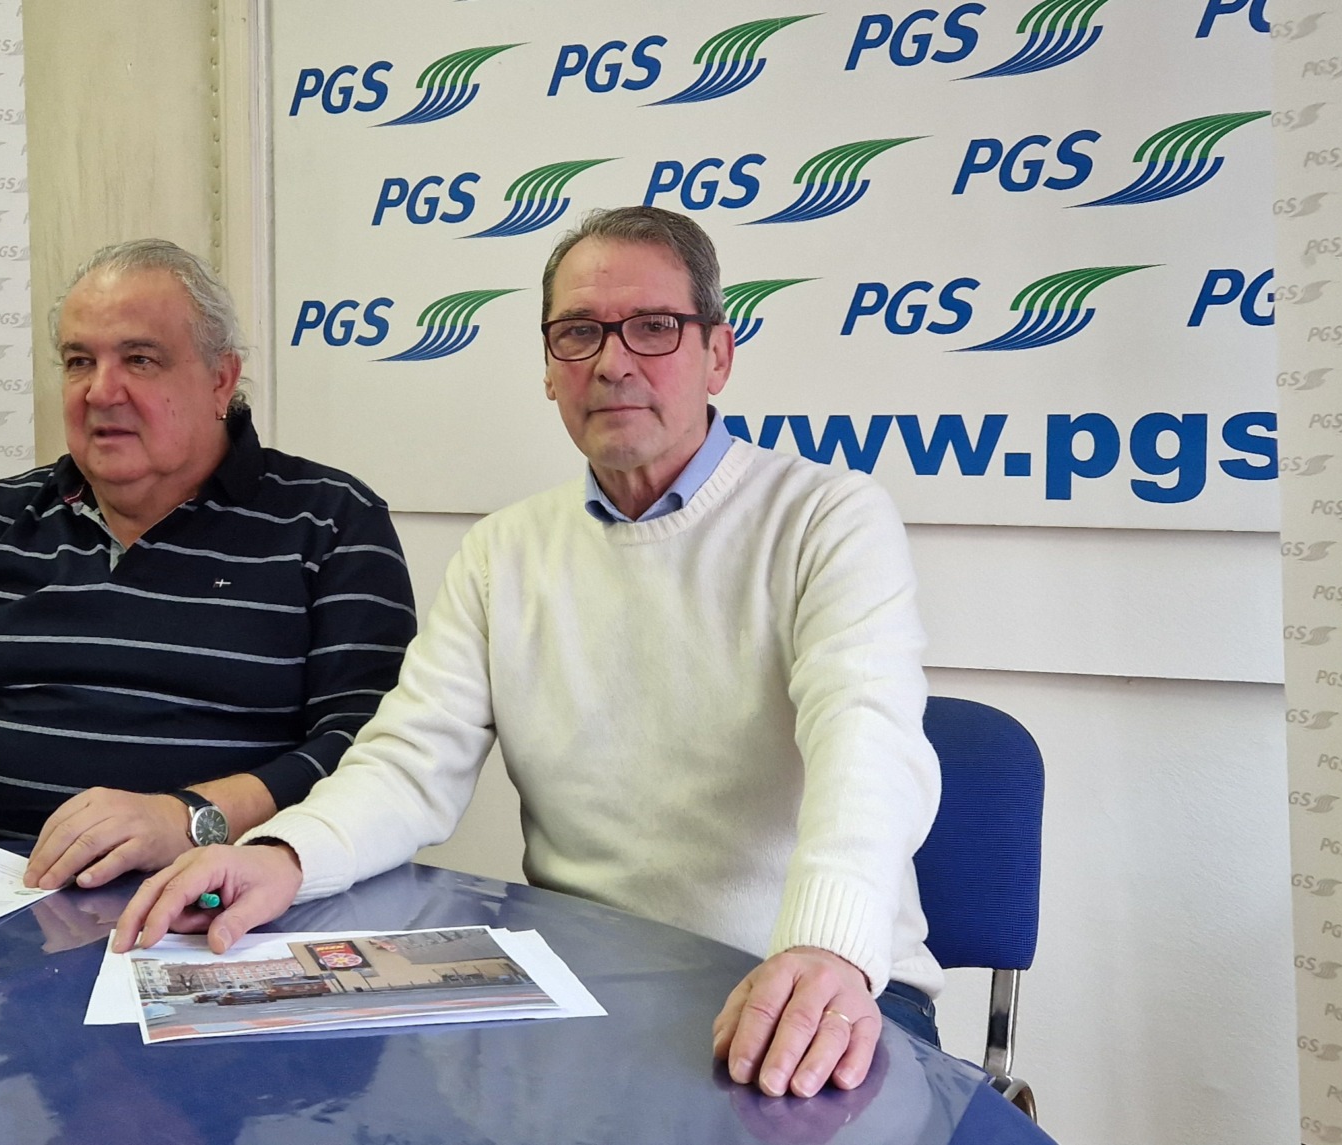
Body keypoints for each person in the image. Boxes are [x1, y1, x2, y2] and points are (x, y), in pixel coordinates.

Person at [116, 207, 944, 1100]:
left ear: (719, 355)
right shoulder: (502, 551)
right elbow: (407, 763)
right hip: (588, 981)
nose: (612, 362)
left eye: (654, 327)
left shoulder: (828, 518)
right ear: (550, 369)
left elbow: (867, 742)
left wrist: (825, 945)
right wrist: (284, 853)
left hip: (816, 976)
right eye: (578, 332)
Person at [0, 239, 416, 894]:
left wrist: (193, 818)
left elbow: (370, 750)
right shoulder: (8, 515)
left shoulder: (332, 521)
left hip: (221, 904)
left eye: (140, 359)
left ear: (221, 378)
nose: (101, 391)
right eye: (79, 361)